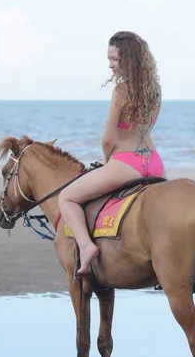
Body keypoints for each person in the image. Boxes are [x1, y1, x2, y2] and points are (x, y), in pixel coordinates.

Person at [58, 31, 165, 276]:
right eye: (110, 59)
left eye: (115, 59)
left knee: (66, 198)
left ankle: (85, 247)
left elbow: (108, 139)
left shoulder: (120, 91)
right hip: (155, 163)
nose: (110, 65)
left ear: (129, 61)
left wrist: (107, 160)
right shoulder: (156, 90)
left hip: (126, 164)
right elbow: (147, 128)